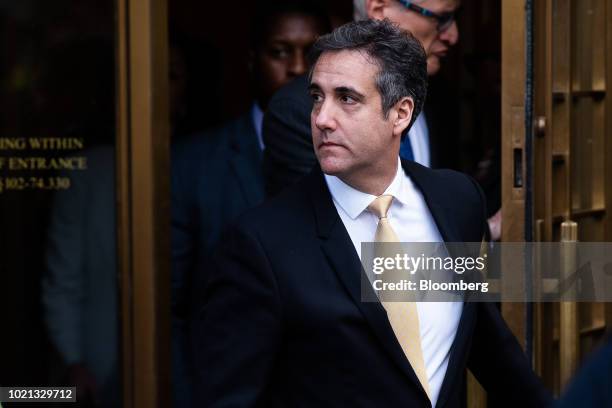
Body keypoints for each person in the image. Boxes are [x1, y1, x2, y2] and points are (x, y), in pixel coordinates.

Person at [193, 20, 552, 407]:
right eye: (318, 97)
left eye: (346, 98)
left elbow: (483, 337)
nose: (321, 118)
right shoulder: (260, 243)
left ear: (400, 113)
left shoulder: (456, 200)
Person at [170, 2, 330, 406]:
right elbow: (172, 308)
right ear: (251, 61)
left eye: (312, 55)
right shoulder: (194, 165)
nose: (297, 68)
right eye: (280, 52)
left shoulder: (360, 161)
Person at [263, 0, 460, 196]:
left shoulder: (441, 97)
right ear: (379, 9)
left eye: (347, 98)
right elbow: (307, 219)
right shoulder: (295, 110)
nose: (453, 35)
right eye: (441, 18)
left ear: (404, 111)